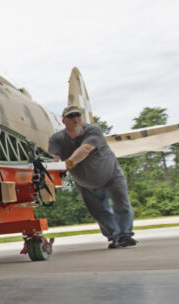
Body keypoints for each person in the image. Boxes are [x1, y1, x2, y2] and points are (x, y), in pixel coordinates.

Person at [48, 106, 136, 249]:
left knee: (121, 203)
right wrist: (50, 169)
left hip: (111, 175)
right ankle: (115, 237)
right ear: (63, 120)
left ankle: (125, 235)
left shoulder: (93, 131)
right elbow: (53, 159)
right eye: (71, 117)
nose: (75, 119)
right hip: (85, 183)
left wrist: (68, 164)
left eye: (78, 115)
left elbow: (85, 149)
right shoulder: (57, 139)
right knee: (99, 212)